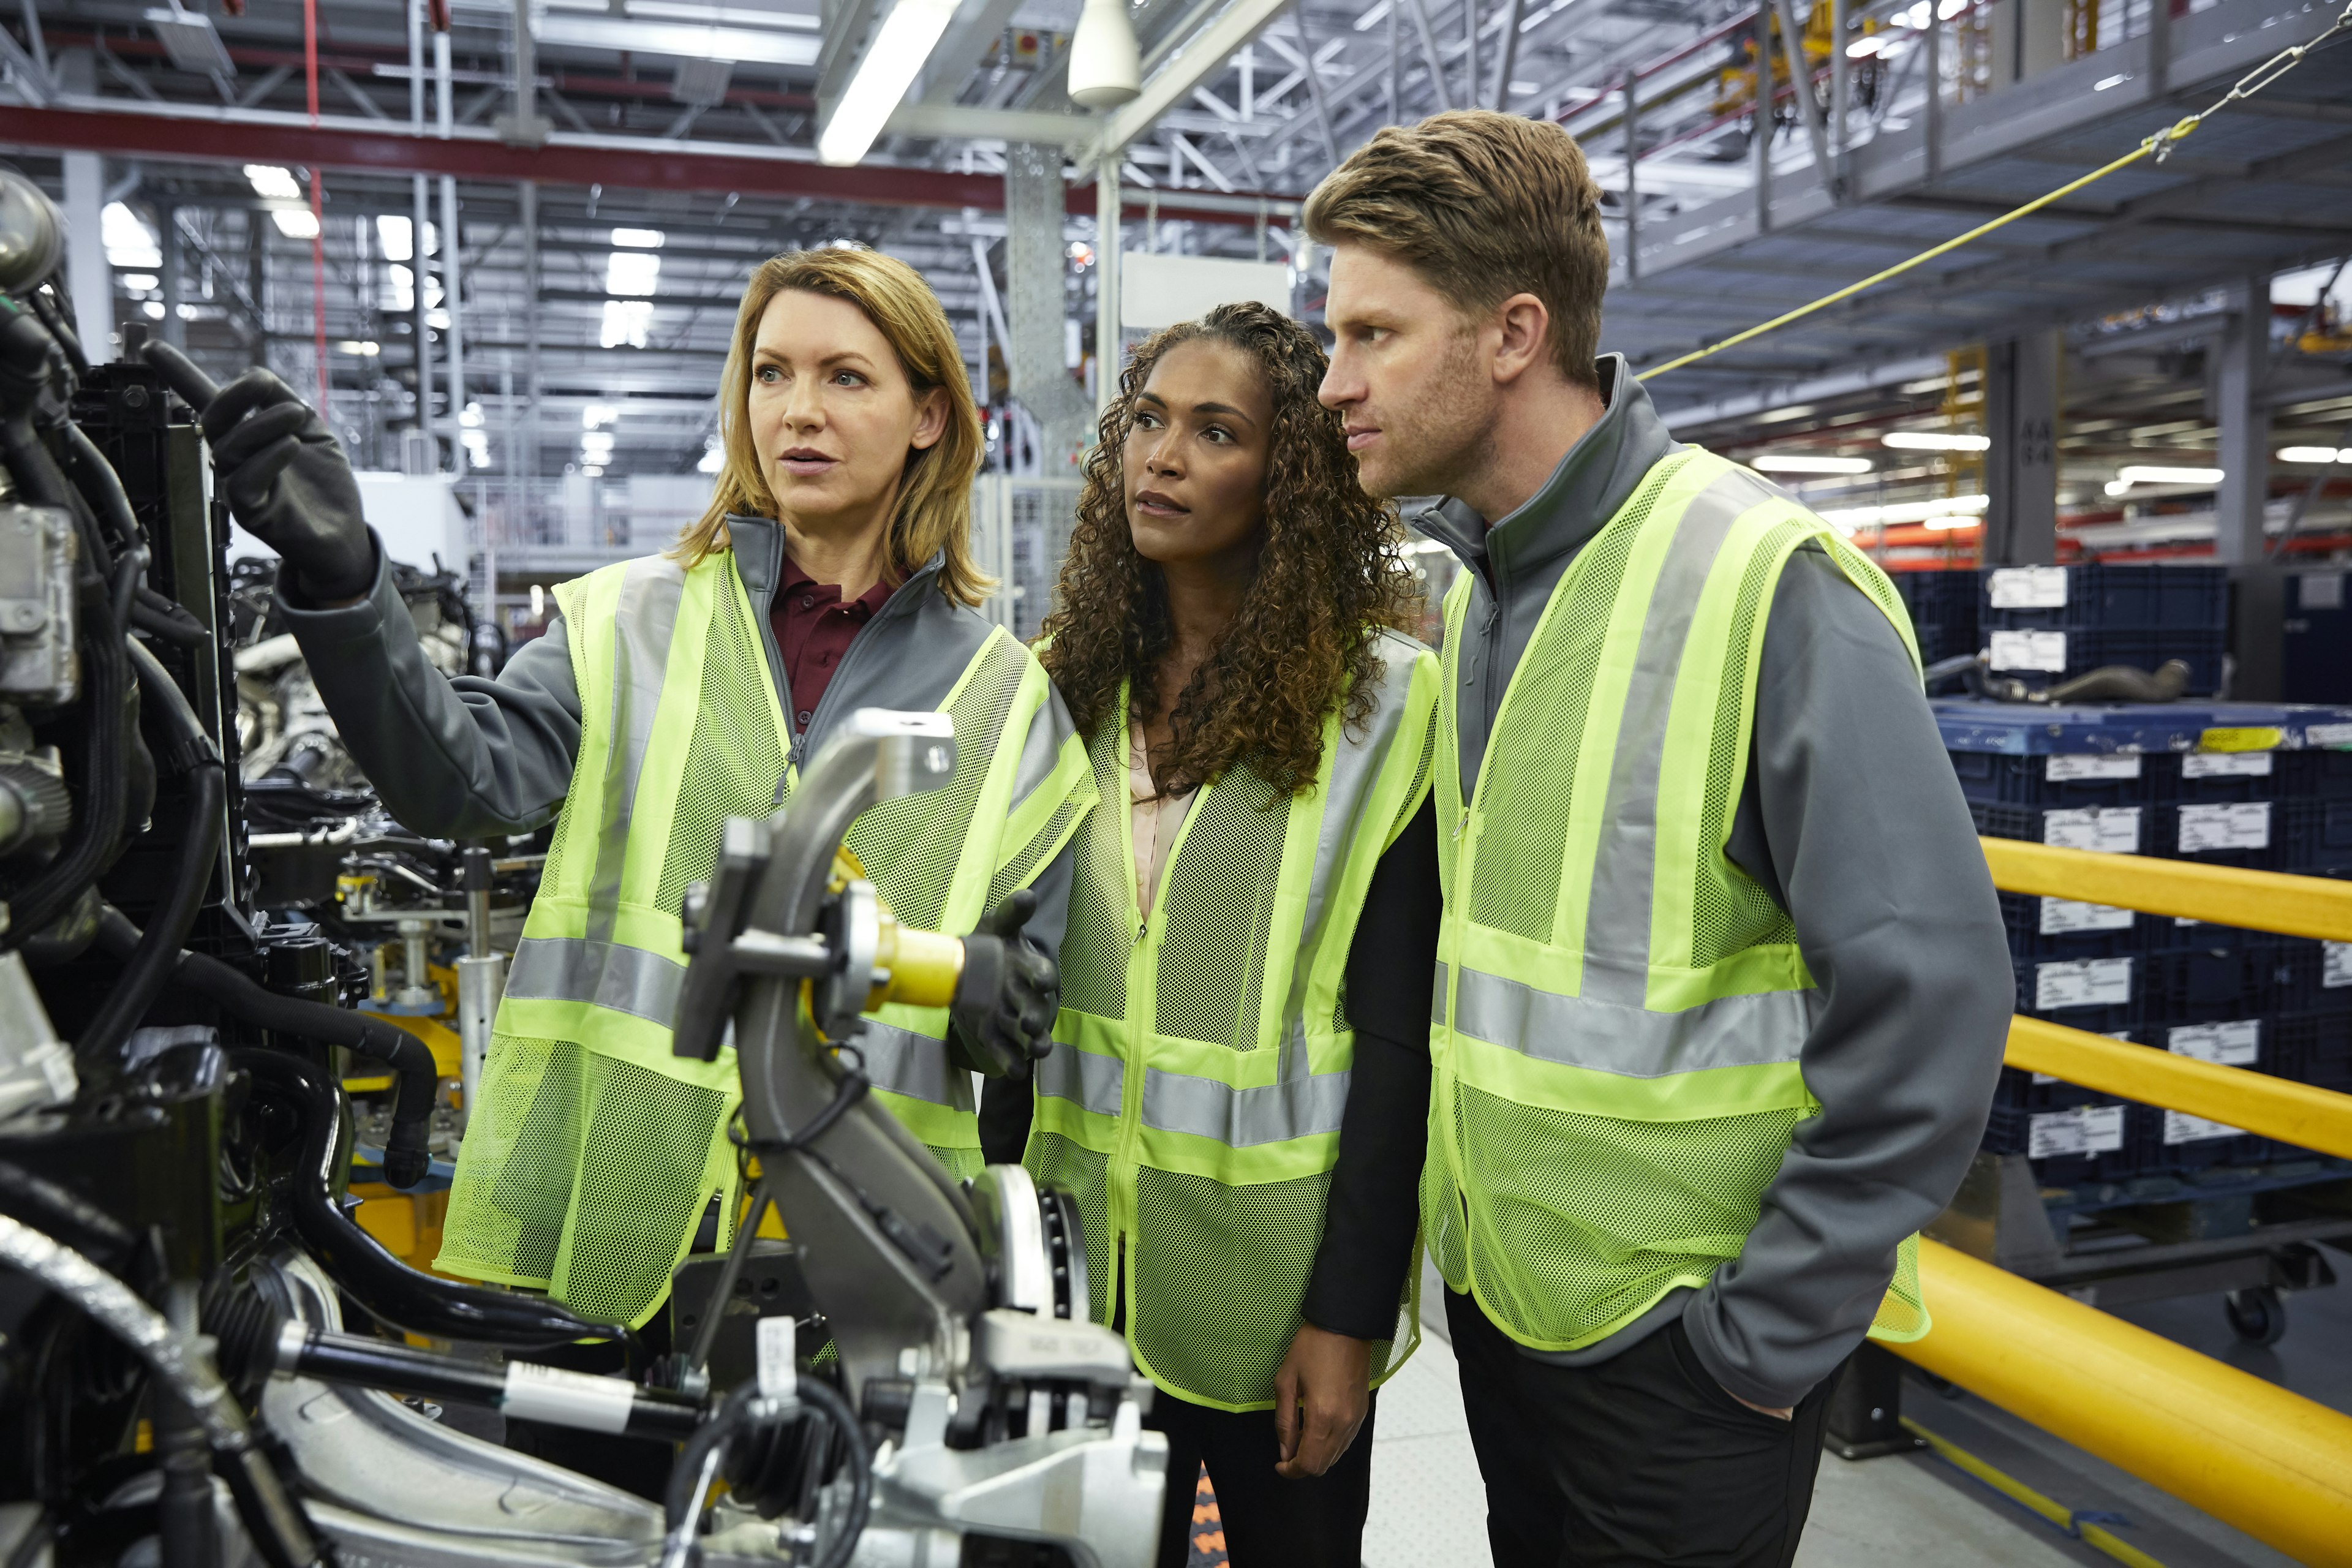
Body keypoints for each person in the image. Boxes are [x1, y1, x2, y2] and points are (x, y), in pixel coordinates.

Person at [147, 246, 1091, 1344]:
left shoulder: (1011, 699)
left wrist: (990, 989)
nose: (798, 412)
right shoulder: (627, 619)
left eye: (846, 377)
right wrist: (348, 582)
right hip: (594, 1232)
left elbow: (1026, 1005)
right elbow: (458, 781)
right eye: (771, 373)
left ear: (930, 416)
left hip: (862, 1261)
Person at [1305, 111, 2013, 1566]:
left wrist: (1758, 1342)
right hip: (1510, 1319)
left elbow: (1932, 1002)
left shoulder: (1765, 581)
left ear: (1513, 332)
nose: (1336, 384)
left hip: (1686, 1369)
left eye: (1374, 334)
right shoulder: (1482, 597)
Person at [978, 301, 1441, 1568]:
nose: (1160, 456)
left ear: (1289, 474)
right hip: (1071, 1278)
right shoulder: (1062, 685)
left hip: (1267, 1290)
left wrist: (1345, 1316)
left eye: (1215, 430)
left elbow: (1400, 1042)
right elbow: (1016, 998)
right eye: (1147, 420)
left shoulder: (1384, 709)